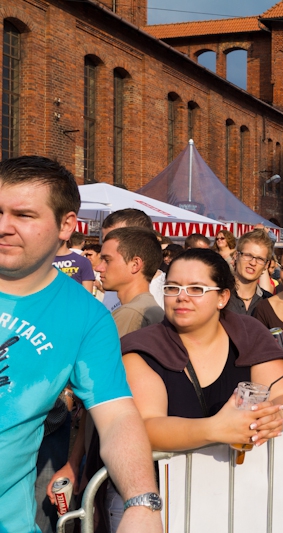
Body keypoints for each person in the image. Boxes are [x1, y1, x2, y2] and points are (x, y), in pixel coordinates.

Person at [0, 155, 161, 533]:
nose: (3, 227)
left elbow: (117, 416)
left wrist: (142, 503)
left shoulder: (87, 318)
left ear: (66, 225)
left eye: (23, 215)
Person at [120, 249, 283, 453]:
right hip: (170, 481)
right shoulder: (143, 348)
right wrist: (214, 429)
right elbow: (146, 426)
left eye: (196, 289)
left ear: (222, 297)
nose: (181, 297)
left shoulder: (248, 333)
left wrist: (278, 416)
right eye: (172, 288)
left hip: (243, 477)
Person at [57, 226, 166, 532]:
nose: (98, 267)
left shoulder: (131, 315)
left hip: (110, 447)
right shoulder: (142, 311)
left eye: (106, 259)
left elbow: (104, 393)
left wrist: (76, 458)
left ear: (135, 265)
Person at [227, 230, 273, 316]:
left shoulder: (270, 302)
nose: (253, 263)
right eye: (248, 255)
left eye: (260, 259)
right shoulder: (218, 295)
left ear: (266, 265)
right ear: (236, 256)